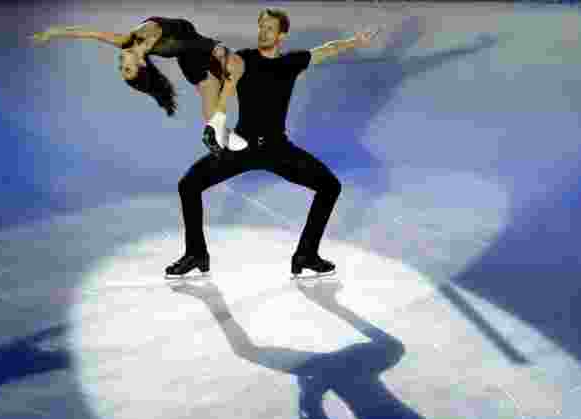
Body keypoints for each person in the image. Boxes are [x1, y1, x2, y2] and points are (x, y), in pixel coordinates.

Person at [164, 9, 379, 279]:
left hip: (277, 149)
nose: (263, 32)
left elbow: (326, 49)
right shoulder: (243, 59)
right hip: (242, 147)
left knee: (330, 186)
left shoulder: (291, 62)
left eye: (269, 28)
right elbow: (208, 55)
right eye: (261, 27)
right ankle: (196, 253)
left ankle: (306, 254)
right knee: (188, 185)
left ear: (281, 35)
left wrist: (354, 43)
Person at [31, 17, 249, 153]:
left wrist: (54, 32)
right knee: (237, 67)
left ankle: (219, 130)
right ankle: (219, 127)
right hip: (200, 52)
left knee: (214, 104)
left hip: (192, 56)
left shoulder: (126, 41)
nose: (120, 64)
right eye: (126, 69)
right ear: (141, 65)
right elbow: (166, 35)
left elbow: (89, 33)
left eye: (121, 68)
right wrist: (215, 47)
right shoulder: (148, 44)